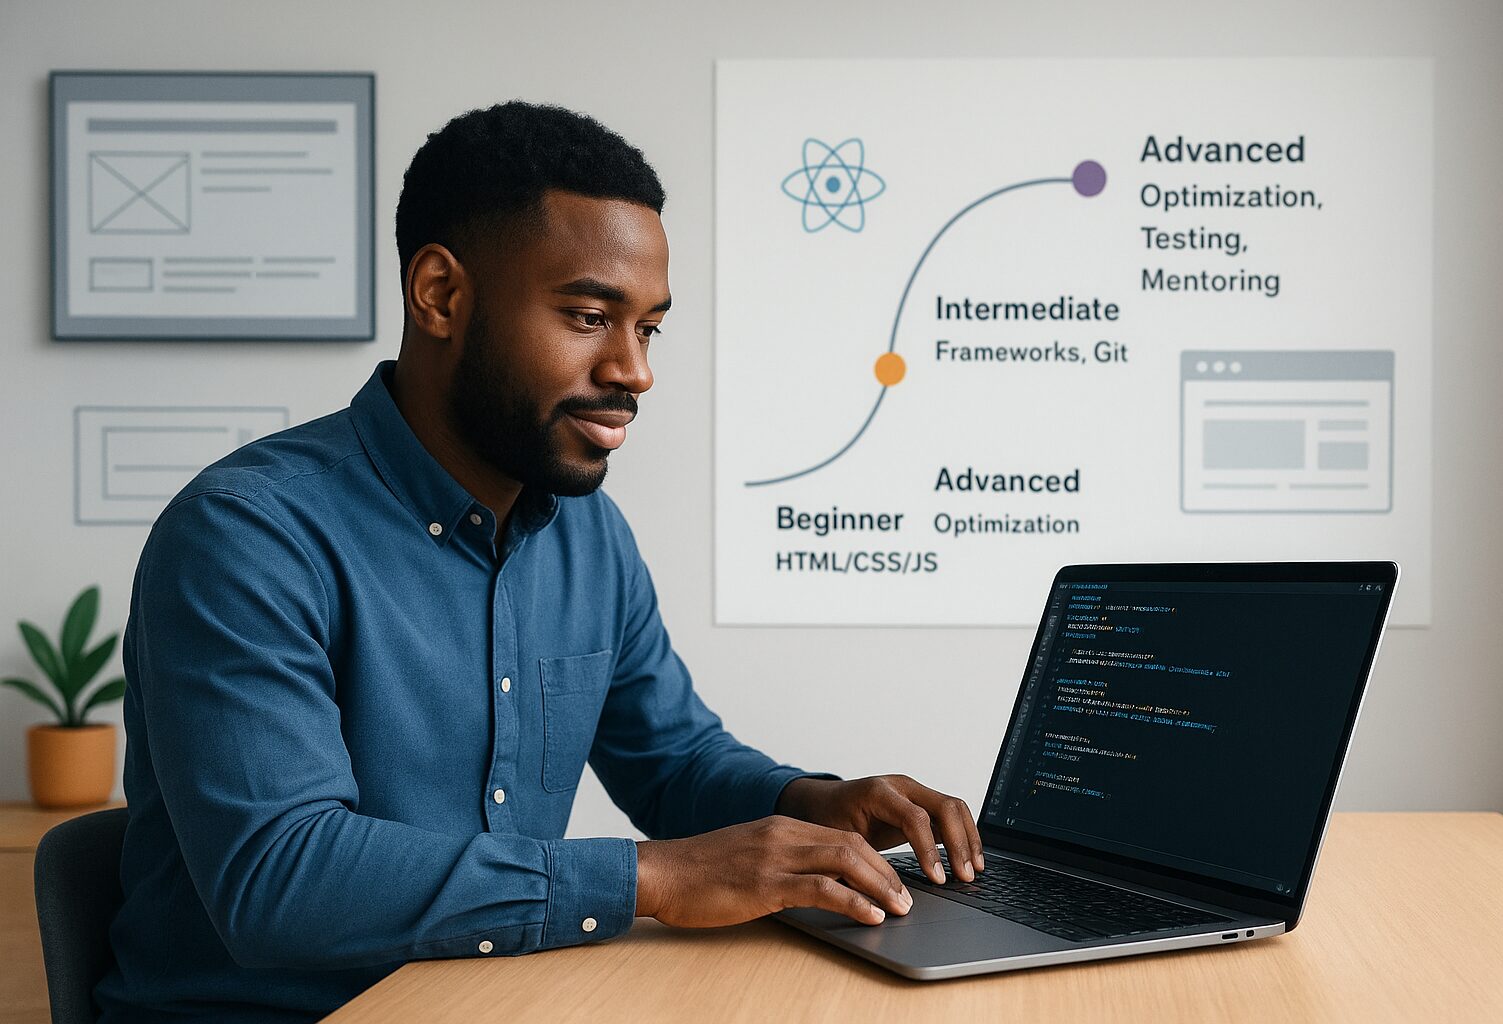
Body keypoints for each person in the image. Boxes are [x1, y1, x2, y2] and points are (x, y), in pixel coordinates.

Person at [96, 101, 983, 1023]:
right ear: (440, 294)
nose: (634, 370)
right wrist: (652, 879)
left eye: (648, 329)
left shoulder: (588, 536)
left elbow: (672, 760)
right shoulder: (246, 536)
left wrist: (815, 804)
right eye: (590, 315)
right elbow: (280, 880)